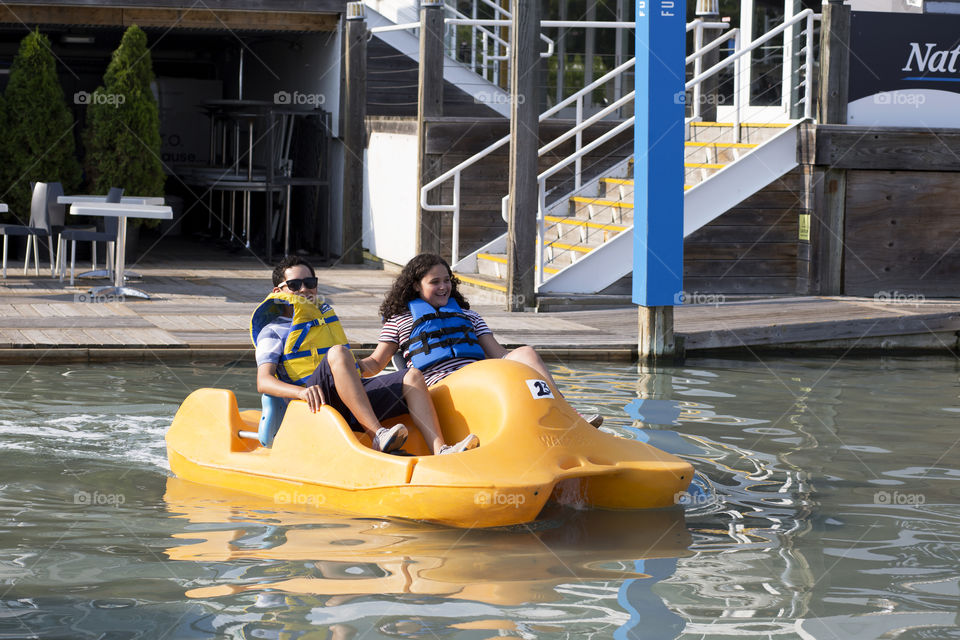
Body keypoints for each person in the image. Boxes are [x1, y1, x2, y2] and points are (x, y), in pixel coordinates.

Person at [253, 256, 478, 455]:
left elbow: (364, 365)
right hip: (310, 403)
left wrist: (357, 367)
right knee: (339, 352)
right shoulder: (272, 330)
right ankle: (378, 435)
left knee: (412, 375)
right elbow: (263, 382)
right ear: (278, 292)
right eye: (294, 285)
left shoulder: (323, 321)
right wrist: (301, 392)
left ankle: (441, 450)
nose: (304, 289)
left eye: (310, 283)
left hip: (345, 398)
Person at [360, 253, 603, 428]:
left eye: (447, 280)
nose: (444, 287)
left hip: (480, 377)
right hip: (437, 389)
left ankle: (567, 415)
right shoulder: (398, 321)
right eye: (435, 282)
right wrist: (348, 365)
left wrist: (522, 367)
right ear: (415, 285)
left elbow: (499, 355)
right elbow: (376, 363)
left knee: (526, 352)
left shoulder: (469, 316)